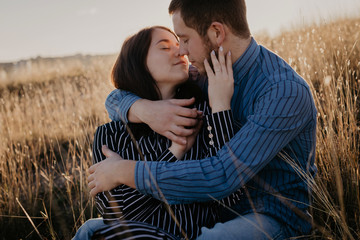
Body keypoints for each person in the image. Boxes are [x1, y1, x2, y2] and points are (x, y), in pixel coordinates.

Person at [88, 0, 318, 239]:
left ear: (217, 32)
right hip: (212, 211)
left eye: (184, 39)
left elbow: (222, 176)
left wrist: (125, 171)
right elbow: (119, 93)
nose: (182, 51)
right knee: (90, 229)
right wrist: (144, 109)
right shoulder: (202, 72)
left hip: (271, 215)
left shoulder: (283, 91)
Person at [76, 25, 242, 240]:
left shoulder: (203, 116)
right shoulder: (110, 135)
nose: (180, 52)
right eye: (164, 48)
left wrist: (220, 106)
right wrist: (174, 152)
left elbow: (231, 196)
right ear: (137, 64)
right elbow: (116, 217)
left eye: (179, 45)